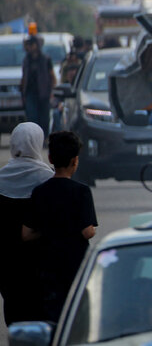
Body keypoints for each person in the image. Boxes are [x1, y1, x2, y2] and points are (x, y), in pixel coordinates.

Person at [22, 131, 98, 322]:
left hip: (48, 265)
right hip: (75, 264)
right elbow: (87, 232)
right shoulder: (81, 192)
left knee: (52, 316)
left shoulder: (39, 192)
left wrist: (50, 230)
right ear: (75, 161)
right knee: (77, 316)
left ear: (50, 158)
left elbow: (26, 234)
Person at [0, 123, 54, 323]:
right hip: (41, 262)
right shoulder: (48, 179)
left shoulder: (1, 179)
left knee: (15, 312)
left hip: (8, 262)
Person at [21, 35, 57, 138]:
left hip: (44, 93)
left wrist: (52, 92)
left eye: (32, 45)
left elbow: (52, 76)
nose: (30, 47)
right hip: (30, 93)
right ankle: (34, 138)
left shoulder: (45, 59)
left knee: (44, 118)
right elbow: (24, 77)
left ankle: (44, 137)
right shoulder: (26, 60)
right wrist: (23, 92)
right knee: (32, 117)